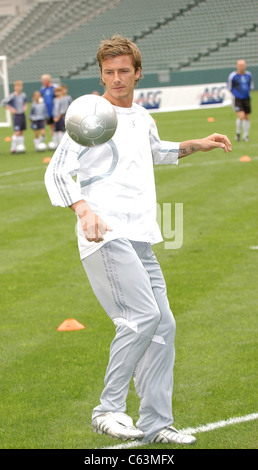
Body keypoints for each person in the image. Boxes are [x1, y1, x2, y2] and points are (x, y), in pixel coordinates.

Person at [45, 35, 232, 445]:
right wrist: (83, 210)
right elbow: (57, 172)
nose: (115, 79)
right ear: (101, 74)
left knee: (163, 324)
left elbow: (152, 151)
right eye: (108, 72)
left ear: (137, 73)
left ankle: (155, 424)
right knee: (141, 317)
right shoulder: (90, 115)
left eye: (123, 71)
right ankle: (108, 409)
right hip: (105, 234)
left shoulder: (143, 116)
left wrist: (195, 145)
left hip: (140, 237)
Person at [227, 59, 254, 142]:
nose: (242, 66)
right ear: (237, 66)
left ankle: (245, 136)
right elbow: (229, 87)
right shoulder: (233, 76)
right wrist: (235, 95)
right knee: (241, 116)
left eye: (243, 65)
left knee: (247, 117)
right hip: (237, 99)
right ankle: (238, 133)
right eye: (240, 65)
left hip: (246, 98)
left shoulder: (248, 75)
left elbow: (250, 86)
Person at [1, 79, 27, 153]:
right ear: (14, 87)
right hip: (17, 115)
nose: (19, 88)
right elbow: (3, 103)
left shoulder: (23, 95)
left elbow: (25, 102)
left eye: (20, 86)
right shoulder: (12, 96)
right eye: (17, 86)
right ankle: (13, 148)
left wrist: (25, 107)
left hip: (22, 114)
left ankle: (21, 146)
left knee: (21, 131)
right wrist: (11, 109)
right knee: (17, 131)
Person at [40, 73, 58, 140]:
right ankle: (54, 141)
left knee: (58, 127)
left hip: (55, 111)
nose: (42, 82)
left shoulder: (54, 87)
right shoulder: (42, 89)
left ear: (48, 80)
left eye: (43, 80)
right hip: (47, 111)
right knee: (51, 126)